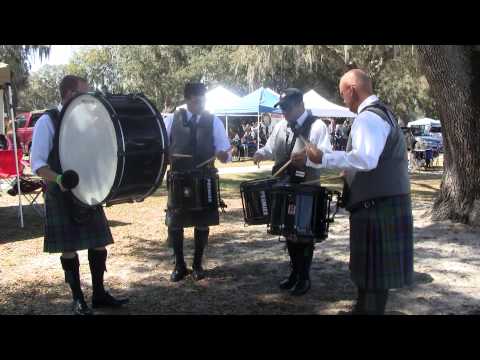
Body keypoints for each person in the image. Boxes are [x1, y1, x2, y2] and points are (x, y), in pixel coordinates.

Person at [305, 69, 414, 314]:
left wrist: (324, 157)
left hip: (377, 207)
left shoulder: (368, 118)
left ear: (352, 90)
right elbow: (372, 160)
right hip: (381, 203)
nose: (343, 99)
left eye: (343, 93)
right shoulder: (383, 113)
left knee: (374, 276)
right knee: (371, 273)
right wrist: (350, 171)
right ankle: (361, 310)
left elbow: (365, 159)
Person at [30, 75, 128, 315]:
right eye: (85, 92)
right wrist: (60, 179)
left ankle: (99, 294)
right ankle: (77, 299)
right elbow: (38, 164)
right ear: (71, 94)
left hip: (88, 190)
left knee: (99, 244)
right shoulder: (48, 121)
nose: (89, 97)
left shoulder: (88, 122)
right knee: (69, 248)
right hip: (61, 193)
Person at [253, 88, 332, 296]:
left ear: (300, 105)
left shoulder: (317, 126)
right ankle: (295, 273)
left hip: (306, 188)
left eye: (287, 107)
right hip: (284, 187)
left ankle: (304, 277)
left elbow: (326, 156)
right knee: (288, 231)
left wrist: (306, 158)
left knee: (303, 233)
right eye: (282, 108)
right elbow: (271, 148)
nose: (284, 112)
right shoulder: (280, 126)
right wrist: (261, 153)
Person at [163, 83, 231, 282]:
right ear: (187, 99)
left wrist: (222, 154)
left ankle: (198, 264)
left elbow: (226, 153)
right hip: (179, 178)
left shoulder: (214, 121)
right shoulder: (172, 119)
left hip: (204, 177)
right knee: (176, 223)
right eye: (196, 99)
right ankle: (179, 265)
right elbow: (163, 148)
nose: (200, 102)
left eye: (203, 99)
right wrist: (166, 155)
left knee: (202, 221)